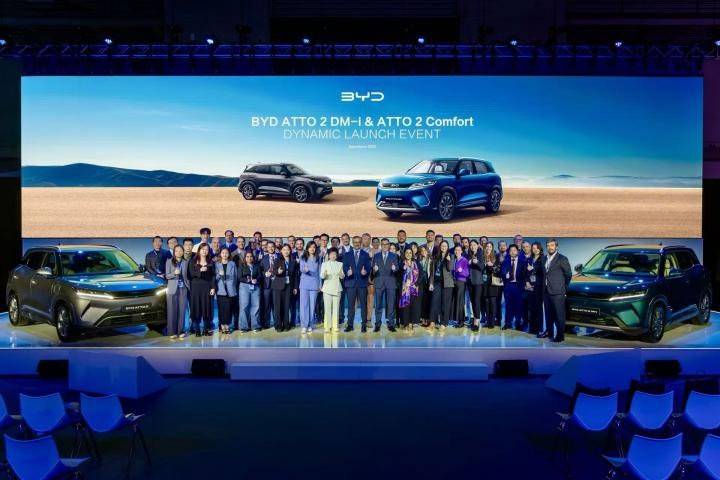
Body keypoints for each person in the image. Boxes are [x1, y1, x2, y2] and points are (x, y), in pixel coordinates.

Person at [543, 238, 572, 343]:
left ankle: (560, 336)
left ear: (556, 247)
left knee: (559, 315)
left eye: (552, 245)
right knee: (548, 314)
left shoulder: (562, 258)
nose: (549, 247)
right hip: (546, 290)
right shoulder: (544, 258)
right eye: (548, 245)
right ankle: (549, 333)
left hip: (558, 291)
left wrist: (563, 288)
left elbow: (568, 275)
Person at [342, 235, 372, 332]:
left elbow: (368, 267)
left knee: (363, 305)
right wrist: (347, 271)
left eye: (358, 242)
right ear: (352, 243)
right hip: (350, 283)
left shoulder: (365, 255)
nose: (357, 244)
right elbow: (344, 266)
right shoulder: (347, 255)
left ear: (361, 243)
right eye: (355, 242)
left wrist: (365, 271)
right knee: (351, 306)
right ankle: (350, 325)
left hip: (362, 284)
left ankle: (364, 325)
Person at [189, 243, 216, 337]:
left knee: (207, 308)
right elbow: (191, 274)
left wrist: (213, 287)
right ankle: (197, 330)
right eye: (203, 249)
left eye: (206, 249)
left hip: (207, 288)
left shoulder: (211, 261)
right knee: (196, 308)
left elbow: (213, 276)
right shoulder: (193, 261)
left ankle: (206, 329)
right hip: (196, 288)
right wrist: (200, 270)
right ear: (199, 250)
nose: (205, 251)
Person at [372, 238, 399, 332]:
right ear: (381, 245)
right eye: (383, 244)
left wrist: (395, 269)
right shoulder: (376, 256)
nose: (384, 246)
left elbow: (397, 268)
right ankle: (377, 324)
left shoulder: (394, 256)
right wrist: (374, 270)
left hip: (390, 283)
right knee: (378, 305)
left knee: (391, 305)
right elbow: (373, 269)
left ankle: (391, 324)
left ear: (389, 245)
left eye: (386, 244)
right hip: (379, 283)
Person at [165, 244, 190, 339]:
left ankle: (181, 331)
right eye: (177, 251)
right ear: (174, 252)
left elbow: (188, 276)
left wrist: (189, 286)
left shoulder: (186, 262)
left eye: (180, 250)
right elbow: (167, 275)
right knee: (172, 310)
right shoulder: (169, 261)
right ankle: (172, 332)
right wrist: (174, 274)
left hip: (183, 288)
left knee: (182, 310)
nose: (179, 252)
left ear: (183, 252)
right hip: (172, 288)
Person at [271, 244, 298, 332]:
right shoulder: (277, 260)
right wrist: (277, 272)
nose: (286, 251)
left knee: (287, 306)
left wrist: (295, 287)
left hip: (289, 286)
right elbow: (273, 271)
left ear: (290, 251)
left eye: (288, 250)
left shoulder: (293, 261)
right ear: (281, 251)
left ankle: (286, 325)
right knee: (278, 307)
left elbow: (295, 276)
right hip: (278, 286)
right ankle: (278, 326)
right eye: (284, 249)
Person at [429, 240, 454, 330]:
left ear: (447, 248)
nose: (444, 247)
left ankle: (443, 323)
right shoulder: (436, 257)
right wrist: (431, 283)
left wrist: (448, 260)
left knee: (445, 304)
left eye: (445, 246)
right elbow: (432, 272)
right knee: (434, 302)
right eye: (442, 246)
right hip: (437, 283)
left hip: (447, 284)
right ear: (440, 247)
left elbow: (450, 268)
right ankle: (432, 322)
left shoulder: (451, 256)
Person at [320, 248, 344, 333]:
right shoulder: (324, 264)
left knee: (336, 308)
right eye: (331, 254)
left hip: (337, 288)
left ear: (336, 255)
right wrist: (324, 274)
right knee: (327, 308)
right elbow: (321, 276)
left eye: (335, 254)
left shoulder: (340, 264)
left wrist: (341, 274)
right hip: (327, 288)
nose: (333, 255)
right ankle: (327, 326)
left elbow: (342, 276)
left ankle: (335, 326)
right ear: (328, 255)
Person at [215, 247, 238, 335]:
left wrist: (231, 284)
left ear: (229, 254)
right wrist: (219, 275)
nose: (225, 254)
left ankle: (227, 325)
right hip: (220, 290)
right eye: (223, 253)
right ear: (220, 254)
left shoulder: (232, 264)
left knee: (228, 309)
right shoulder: (217, 264)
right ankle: (222, 325)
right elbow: (215, 278)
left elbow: (235, 277)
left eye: (226, 253)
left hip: (230, 289)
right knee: (221, 309)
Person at [299, 241, 321, 334]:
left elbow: (320, 272)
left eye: (314, 247)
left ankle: (310, 325)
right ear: (307, 248)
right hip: (304, 284)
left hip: (314, 284)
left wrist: (320, 284)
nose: (312, 249)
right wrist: (305, 270)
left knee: (312, 305)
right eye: (310, 247)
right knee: (304, 305)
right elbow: (301, 269)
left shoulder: (318, 258)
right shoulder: (303, 257)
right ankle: (304, 325)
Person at [501, 244, 524, 330]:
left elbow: (524, 275)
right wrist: (505, 275)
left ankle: (518, 323)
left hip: (518, 286)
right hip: (508, 286)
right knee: (508, 305)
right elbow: (502, 274)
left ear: (517, 251)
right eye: (511, 250)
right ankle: (508, 323)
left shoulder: (522, 262)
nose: (512, 252)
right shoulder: (505, 262)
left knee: (518, 305)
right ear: (509, 252)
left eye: (514, 250)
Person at [526, 242, 546, 337]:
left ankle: (539, 328)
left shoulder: (543, 258)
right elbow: (525, 272)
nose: (535, 250)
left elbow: (544, 271)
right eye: (533, 248)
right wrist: (527, 282)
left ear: (540, 249)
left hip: (539, 286)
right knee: (531, 308)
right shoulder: (529, 259)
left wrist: (533, 267)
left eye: (537, 248)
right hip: (530, 286)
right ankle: (532, 328)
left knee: (538, 308)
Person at [238, 251, 262, 333]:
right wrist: (247, 280)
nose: (249, 258)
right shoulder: (241, 266)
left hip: (255, 287)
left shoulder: (256, 266)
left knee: (256, 306)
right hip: (244, 287)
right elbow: (239, 277)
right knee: (244, 306)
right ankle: (244, 327)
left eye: (251, 256)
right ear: (245, 258)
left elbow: (260, 276)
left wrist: (256, 280)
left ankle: (255, 326)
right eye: (247, 256)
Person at [398, 248, 420, 329]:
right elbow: (398, 275)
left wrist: (416, 284)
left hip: (413, 288)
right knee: (405, 306)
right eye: (407, 252)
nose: (408, 254)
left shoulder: (416, 263)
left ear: (412, 254)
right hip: (405, 289)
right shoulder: (401, 263)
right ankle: (405, 323)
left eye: (410, 253)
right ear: (404, 254)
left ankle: (411, 322)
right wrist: (403, 269)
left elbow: (421, 274)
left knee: (413, 306)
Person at [260, 242, 279, 329]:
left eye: (272, 247)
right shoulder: (263, 258)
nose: (271, 248)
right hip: (266, 285)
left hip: (277, 284)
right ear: (266, 248)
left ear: (275, 247)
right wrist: (264, 274)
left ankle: (277, 323)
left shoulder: (280, 257)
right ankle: (266, 323)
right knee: (266, 305)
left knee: (276, 305)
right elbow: (260, 270)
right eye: (269, 247)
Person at [483, 242, 502, 329]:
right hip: (484, 282)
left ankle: (492, 322)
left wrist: (492, 265)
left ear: (492, 248)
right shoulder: (482, 257)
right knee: (486, 302)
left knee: (493, 302)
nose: (488, 248)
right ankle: (487, 321)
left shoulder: (496, 257)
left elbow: (499, 269)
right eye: (487, 246)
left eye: (490, 246)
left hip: (493, 283)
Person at [467, 240, 485, 332]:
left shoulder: (480, 254)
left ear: (477, 246)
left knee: (477, 301)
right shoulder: (468, 255)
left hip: (478, 282)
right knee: (473, 301)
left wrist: (477, 262)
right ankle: (475, 318)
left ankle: (476, 322)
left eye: (474, 245)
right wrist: (468, 263)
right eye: (471, 245)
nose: (472, 246)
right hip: (470, 282)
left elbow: (482, 267)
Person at [452, 245, 470, 328]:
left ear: (461, 251)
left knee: (460, 301)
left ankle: (461, 321)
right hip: (454, 282)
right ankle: (458, 320)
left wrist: (461, 270)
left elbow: (467, 273)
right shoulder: (454, 259)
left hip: (461, 282)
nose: (457, 251)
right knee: (456, 301)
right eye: (456, 250)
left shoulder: (464, 260)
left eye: (459, 250)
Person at [417, 245, 432, 326]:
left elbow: (432, 273)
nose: (423, 252)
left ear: (427, 251)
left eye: (425, 250)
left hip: (428, 282)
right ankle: (422, 318)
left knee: (428, 301)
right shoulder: (418, 260)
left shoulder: (431, 260)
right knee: (422, 301)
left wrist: (431, 283)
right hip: (421, 283)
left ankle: (427, 318)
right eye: (422, 251)